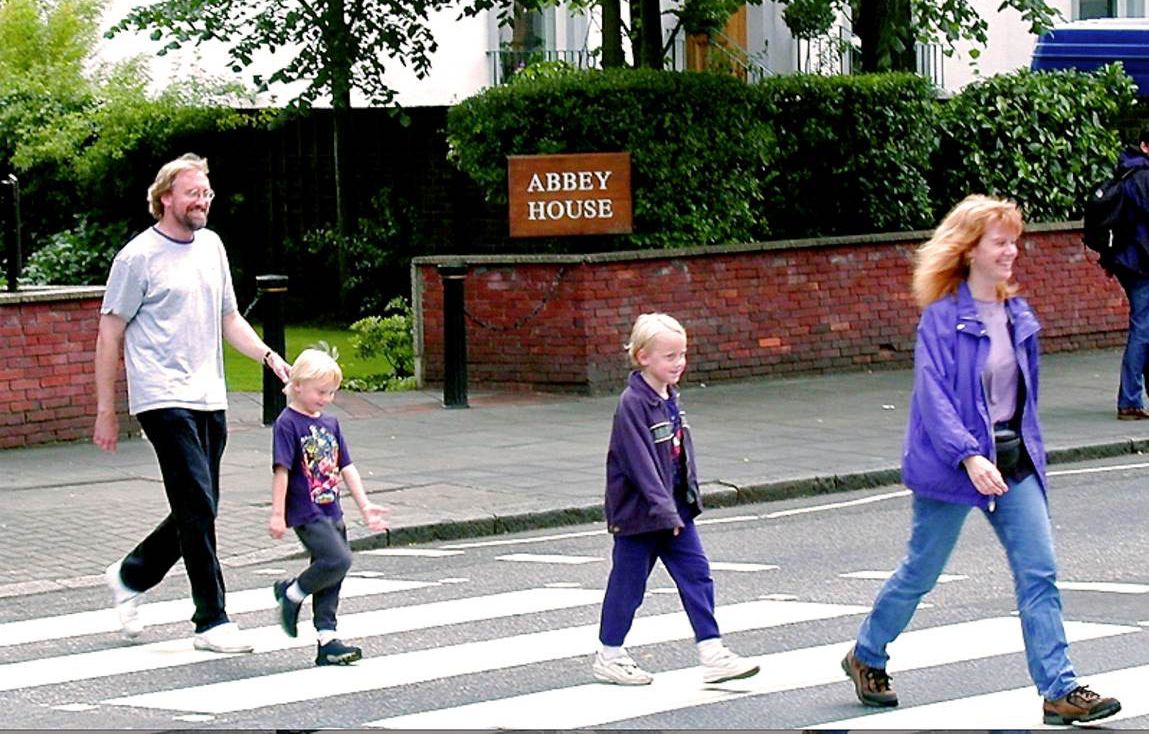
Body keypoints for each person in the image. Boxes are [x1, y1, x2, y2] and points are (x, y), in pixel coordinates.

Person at [839, 195, 1122, 725]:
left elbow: (1021, 403)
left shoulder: (1018, 314)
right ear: (970, 250)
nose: (1012, 250)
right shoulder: (941, 320)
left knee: (1040, 573)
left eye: (1015, 241)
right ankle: (867, 654)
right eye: (1000, 242)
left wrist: (1015, 452)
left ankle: (1059, 689)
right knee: (921, 572)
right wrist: (969, 456)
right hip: (952, 466)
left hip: (1012, 462)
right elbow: (934, 399)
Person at [94, 153, 292, 653]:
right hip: (161, 396)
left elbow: (229, 318)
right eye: (192, 193)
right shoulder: (137, 258)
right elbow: (109, 334)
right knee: (197, 506)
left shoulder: (212, 247)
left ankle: (129, 575)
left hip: (209, 394)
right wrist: (105, 411)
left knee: (199, 507)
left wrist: (268, 356)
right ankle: (211, 620)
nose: (202, 201)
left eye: (206, 192)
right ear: (166, 198)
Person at [593, 313, 760, 687]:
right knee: (628, 585)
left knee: (697, 575)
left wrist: (687, 499)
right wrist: (664, 509)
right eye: (669, 356)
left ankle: (712, 651)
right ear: (642, 357)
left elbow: (680, 455)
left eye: (682, 354)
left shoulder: (668, 397)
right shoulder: (632, 404)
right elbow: (639, 464)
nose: (679, 363)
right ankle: (609, 654)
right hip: (640, 516)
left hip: (673, 512)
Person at [269, 348, 389, 666]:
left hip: (332, 509)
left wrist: (364, 506)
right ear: (297, 386)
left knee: (333, 576)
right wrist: (278, 514)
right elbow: (281, 469)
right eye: (320, 392)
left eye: (331, 392)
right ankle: (292, 593)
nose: (326, 398)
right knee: (339, 559)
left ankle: (327, 640)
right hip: (305, 511)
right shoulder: (287, 423)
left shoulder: (331, 424)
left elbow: (345, 466)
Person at [1109, 127, 1149, 420]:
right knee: (1143, 329)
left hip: (1131, 261)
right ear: (1145, 146)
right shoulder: (1142, 177)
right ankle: (1130, 401)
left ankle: (1134, 396)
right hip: (1140, 263)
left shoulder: (1128, 172)